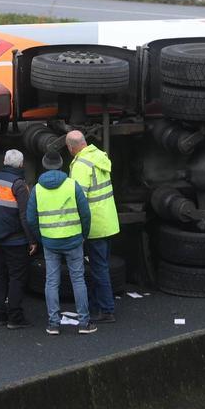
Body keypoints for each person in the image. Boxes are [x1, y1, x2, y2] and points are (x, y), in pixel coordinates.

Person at [26, 152, 95, 336]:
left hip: (50, 242)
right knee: (78, 280)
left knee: (51, 281)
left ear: (44, 164)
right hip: (73, 239)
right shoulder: (72, 185)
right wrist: (84, 235)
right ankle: (84, 323)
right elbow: (85, 214)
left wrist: (42, 237)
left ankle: (53, 324)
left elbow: (30, 219)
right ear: (61, 164)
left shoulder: (37, 189)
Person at [67, 130, 120, 324]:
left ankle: (106, 310)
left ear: (71, 147)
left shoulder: (81, 165)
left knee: (98, 269)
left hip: (95, 225)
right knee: (102, 266)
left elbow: (78, 199)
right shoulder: (99, 156)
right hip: (108, 221)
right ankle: (99, 304)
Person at [0, 149, 37, 329]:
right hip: (15, 240)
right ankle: (15, 318)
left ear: (5, 162)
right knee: (16, 278)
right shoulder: (19, 185)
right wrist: (32, 240)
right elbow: (25, 216)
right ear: (21, 165)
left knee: (0, 276)